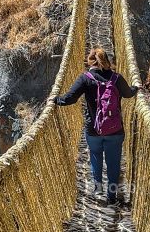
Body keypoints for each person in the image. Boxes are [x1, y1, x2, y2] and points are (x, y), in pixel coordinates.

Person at [55, 47, 139, 202]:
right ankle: (111, 196)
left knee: (95, 157)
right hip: (115, 130)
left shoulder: (85, 78)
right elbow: (128, 93)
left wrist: (55, 100)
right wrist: (135, 88)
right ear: (107, 60)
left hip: (93, 130)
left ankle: (98, 190)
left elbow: (69, 99)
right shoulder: (116, 78)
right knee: (113, 163)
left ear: (89, 61)